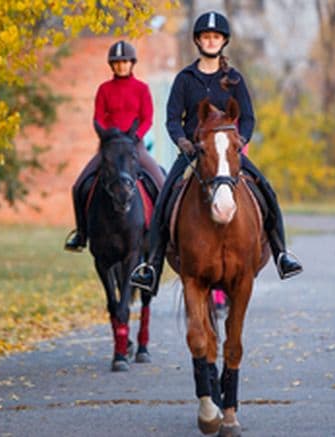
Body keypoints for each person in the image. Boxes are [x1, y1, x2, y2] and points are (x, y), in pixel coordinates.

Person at [130, 11, 303, 293]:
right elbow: (172, 118)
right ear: (198, 40)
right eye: (206, 37)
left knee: (267, 192)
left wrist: (240, 140)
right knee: (164, 199)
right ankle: (151, 265)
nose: (211, 41)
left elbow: (247, 117)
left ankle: (282, 255)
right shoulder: (185, 78)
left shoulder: (234, 79)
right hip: (192, 151)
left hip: (227, 152)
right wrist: (182, 142)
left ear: (223, 41)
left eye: (216, 37)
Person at [65, 41, 165, 252]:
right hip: (110, 148)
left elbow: (147, 118)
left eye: (125, 62)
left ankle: (163, 231)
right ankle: (82, 234)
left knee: (160, 182)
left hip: (135, 147)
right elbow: (99, 118)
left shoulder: (142, 89)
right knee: (78, 186)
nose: (121, 66)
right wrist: (108, 138)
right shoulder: (104, 89)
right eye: (117, 63)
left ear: (132, 64)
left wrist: (134, 137)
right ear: (112, 65)